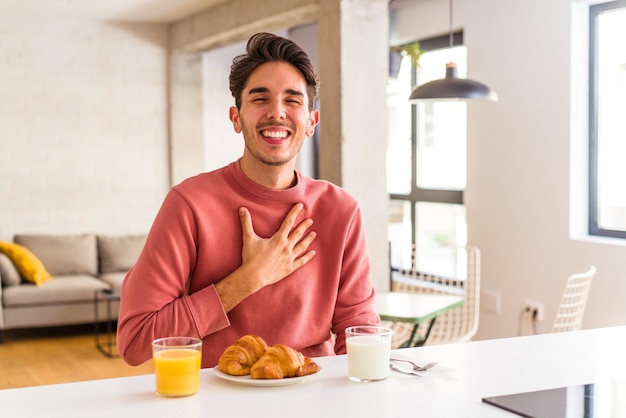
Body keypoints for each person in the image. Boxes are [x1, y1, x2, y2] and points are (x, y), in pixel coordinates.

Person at [116, 32, 379, 368]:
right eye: (260, 99)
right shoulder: (189, 204)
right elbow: (136, 341)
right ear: (236, 118)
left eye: (293, 100)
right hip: (216, 400)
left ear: (312, 121)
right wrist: (248, 279)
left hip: (314, 396)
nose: (277, 112)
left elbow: (360, 333)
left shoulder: (342, 210)